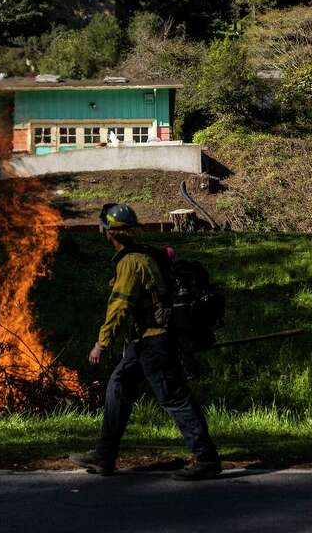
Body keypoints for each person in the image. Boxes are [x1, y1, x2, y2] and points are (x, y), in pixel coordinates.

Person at [68, 203, 222, 479]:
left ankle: (206, 458)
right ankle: (104, 456)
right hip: (142, 343)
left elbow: (120, 306)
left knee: (173, 397)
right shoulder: (145, 256)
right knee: (118, 385)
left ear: (108, 232)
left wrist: (102, 343)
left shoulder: (130, 263)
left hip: (154, 343)